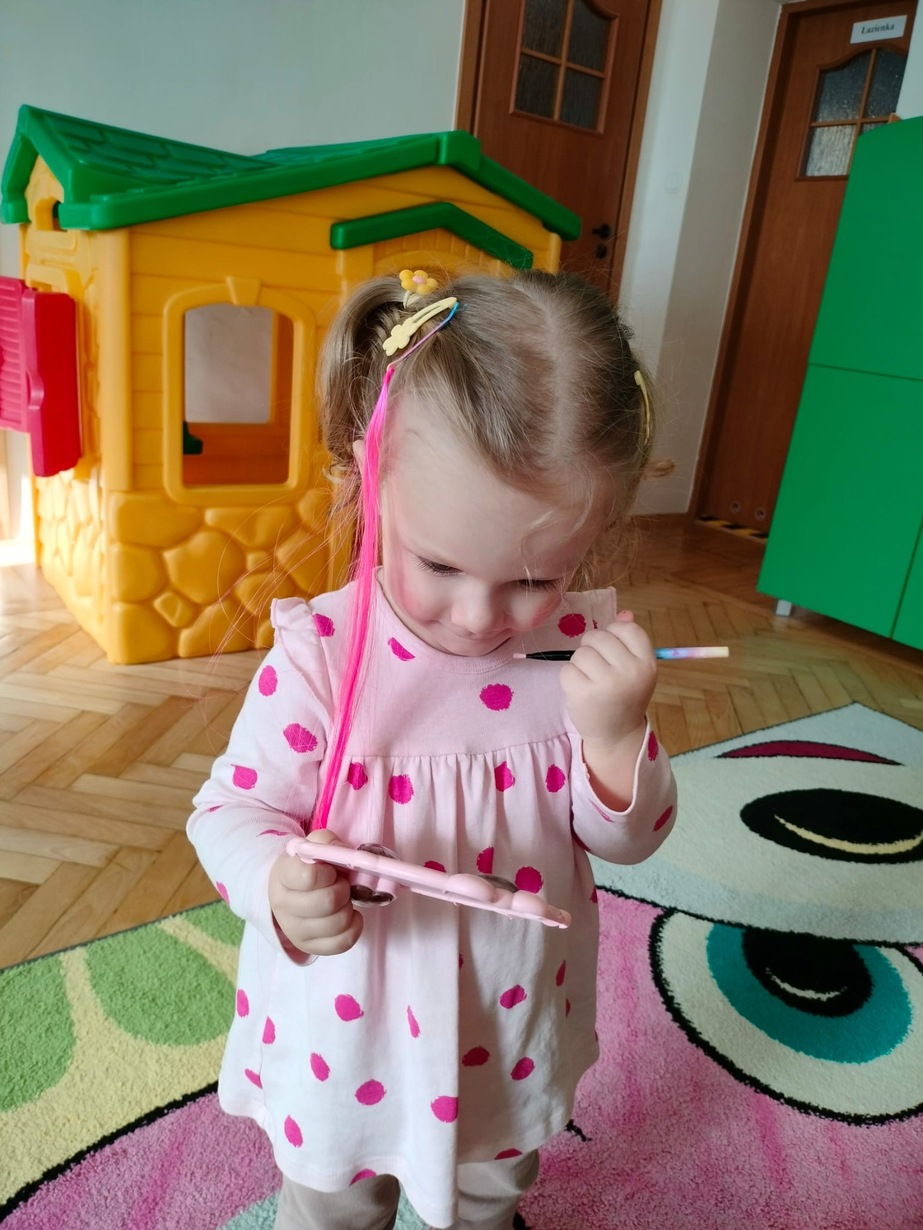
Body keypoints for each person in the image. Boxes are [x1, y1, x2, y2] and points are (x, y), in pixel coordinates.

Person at [187, 268, 677, 1230]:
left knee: (493, 1184)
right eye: (439, 563)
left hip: (507, 1017)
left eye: (533, 578)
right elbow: (228, 812)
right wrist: (277, 883)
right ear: (367, 482)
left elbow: (629, 841)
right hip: (348, 1033)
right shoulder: (323, 658)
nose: (478, 616)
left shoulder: (577, 656)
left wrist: (618, 734)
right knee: (335, 1203)